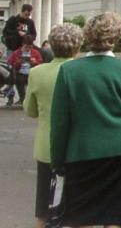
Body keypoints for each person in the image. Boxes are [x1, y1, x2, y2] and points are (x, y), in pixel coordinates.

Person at [50, 12, 121, 228]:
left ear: (88, 37)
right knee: (115, 215)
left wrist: (57, 160)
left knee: (80, 217)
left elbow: (59, 122)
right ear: (115, 38)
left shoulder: (69, 71)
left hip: (82, 152)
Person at [24, 24, 83, 228]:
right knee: (78, 212)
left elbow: (30, 111)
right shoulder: (81, 72)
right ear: (77, 47)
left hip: (46, 148)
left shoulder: (37, 73)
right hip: (78, 149)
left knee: (44, 210)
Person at [6, 33, 43, 105]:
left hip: (32, 72)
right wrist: (18, 62)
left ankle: (31, 100)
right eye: (26, 47)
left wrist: (35, 62)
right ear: (23, 45)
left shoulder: (35, 53)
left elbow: (40, 63)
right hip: (20, 73)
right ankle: (23, 99)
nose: (28, 49)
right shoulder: (17, 53)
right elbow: (10, 63)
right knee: (19, 81)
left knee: (33, 83)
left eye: (30, 47)